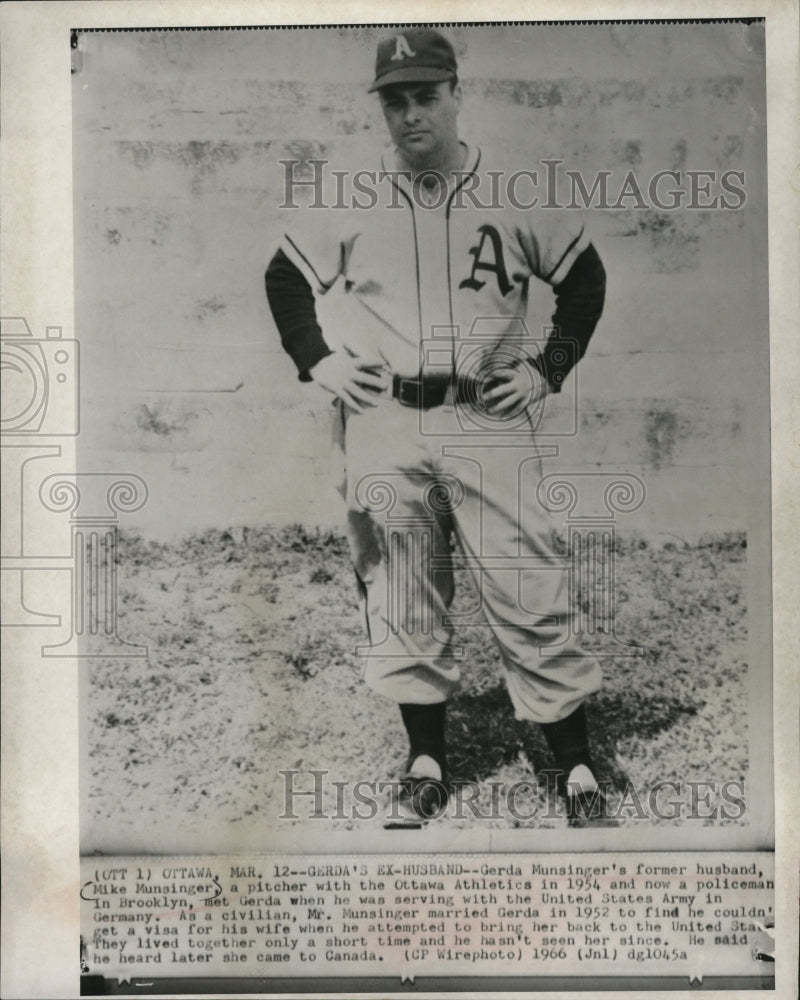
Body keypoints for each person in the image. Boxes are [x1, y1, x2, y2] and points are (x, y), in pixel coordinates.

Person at [266, 28, 611, 827]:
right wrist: (316, 360)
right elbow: (285, 276)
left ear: (457, 93)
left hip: (483, 413)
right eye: (396, 100)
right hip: (387, 415)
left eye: (425, 96)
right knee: (402, 592)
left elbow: (584, 280)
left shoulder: (519, 189)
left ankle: (577, 766)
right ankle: (425, 762)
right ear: (382, 108)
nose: (411, 115)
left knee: (529, 585)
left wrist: (544, 367)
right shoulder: (350, 193)